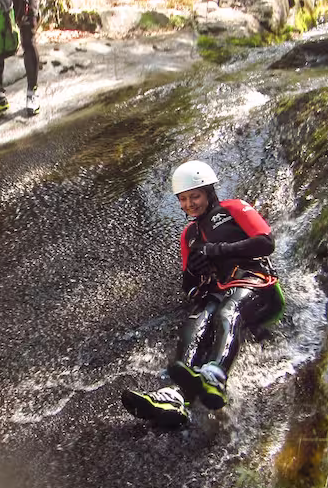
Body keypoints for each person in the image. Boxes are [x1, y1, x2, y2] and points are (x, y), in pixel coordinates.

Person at [122, 160, 284, 427]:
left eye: (194, 196)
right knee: (196, 320)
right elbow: (189, 286)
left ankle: (216, 375)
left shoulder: (233, 209)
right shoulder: (189, 235)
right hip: (219, 292)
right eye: (183, 199)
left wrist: (217, 251)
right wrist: (193, 272)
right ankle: (177, 395)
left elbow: (265, 242)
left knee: (227, 311)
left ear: (209, 192)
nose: (189, 204)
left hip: (256, 285)